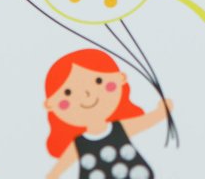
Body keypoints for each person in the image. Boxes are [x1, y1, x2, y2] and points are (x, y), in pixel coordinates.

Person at [44, 48, 171, 179]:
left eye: (98, 81)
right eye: (68, 92)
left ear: (121, 78)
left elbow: (145, 122)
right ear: (50, 105)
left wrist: (160, 112)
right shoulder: (78, 143)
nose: (87, 94)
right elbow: (61, 166)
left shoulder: (119, 127)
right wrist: (53, 175)